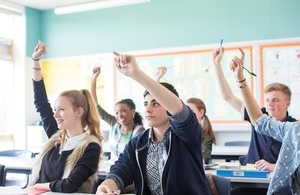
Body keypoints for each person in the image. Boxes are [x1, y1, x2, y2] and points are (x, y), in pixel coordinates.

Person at [96, 52, 212, 195]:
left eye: (156, 104)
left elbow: (179, 111)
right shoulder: (138, 143)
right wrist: (106, 186)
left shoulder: (187, 134)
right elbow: (121, 169)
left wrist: (135, 73)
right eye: (145, 104)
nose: (148, 109)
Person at [213, 47, 297, 195]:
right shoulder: (258, 115)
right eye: (267, 100)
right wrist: (217, 64)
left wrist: (274, 166)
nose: (270, 104)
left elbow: (296, 164)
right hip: (249, 179)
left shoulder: (292, 129)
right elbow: (227, 96)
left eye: (275, 100)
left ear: (287, 104)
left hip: (274, 183)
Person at [28, 42, 103, 193]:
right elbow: (41, 103)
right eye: (55, 109)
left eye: (61, 109)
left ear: (78, 112)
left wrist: (40, 187)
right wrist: (35, 60)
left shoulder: (90, 147)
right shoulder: (56, 138)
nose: (55, 115)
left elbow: (69, 185)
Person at [155, 67, 217, 164]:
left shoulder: (201, 134)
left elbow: (203, 159)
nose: (187, 116)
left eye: (191, 112)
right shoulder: (176, 129)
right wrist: (156, 80)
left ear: (201, 113)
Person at [91, 67, 145, 156]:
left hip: (128, 168)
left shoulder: (138, 131)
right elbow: (96, 107)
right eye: (117, 113)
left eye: (123, 111)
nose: (120, 115)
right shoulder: (114, 123)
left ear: (132, 111)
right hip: (112, 165)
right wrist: (93, 79)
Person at [186, 98, 217, 164]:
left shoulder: (206, 134)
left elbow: (204, 157)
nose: (188, 115)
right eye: (186, 112)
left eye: (191, 111)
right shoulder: (183, 132)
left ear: (201, 113)